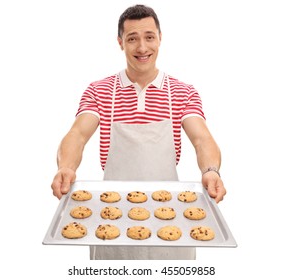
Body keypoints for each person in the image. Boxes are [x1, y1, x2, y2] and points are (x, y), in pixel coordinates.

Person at [51, 4, 226, 260]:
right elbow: (77, 135)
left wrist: (211, 171)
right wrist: (65, 167)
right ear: (120, 42)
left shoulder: (182, 92)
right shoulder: (99, 91)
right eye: (132, 39)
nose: (142, 48)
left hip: (170, 215)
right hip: (113, 216)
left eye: (149, 37)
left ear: (160, 38)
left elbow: (202, 139)